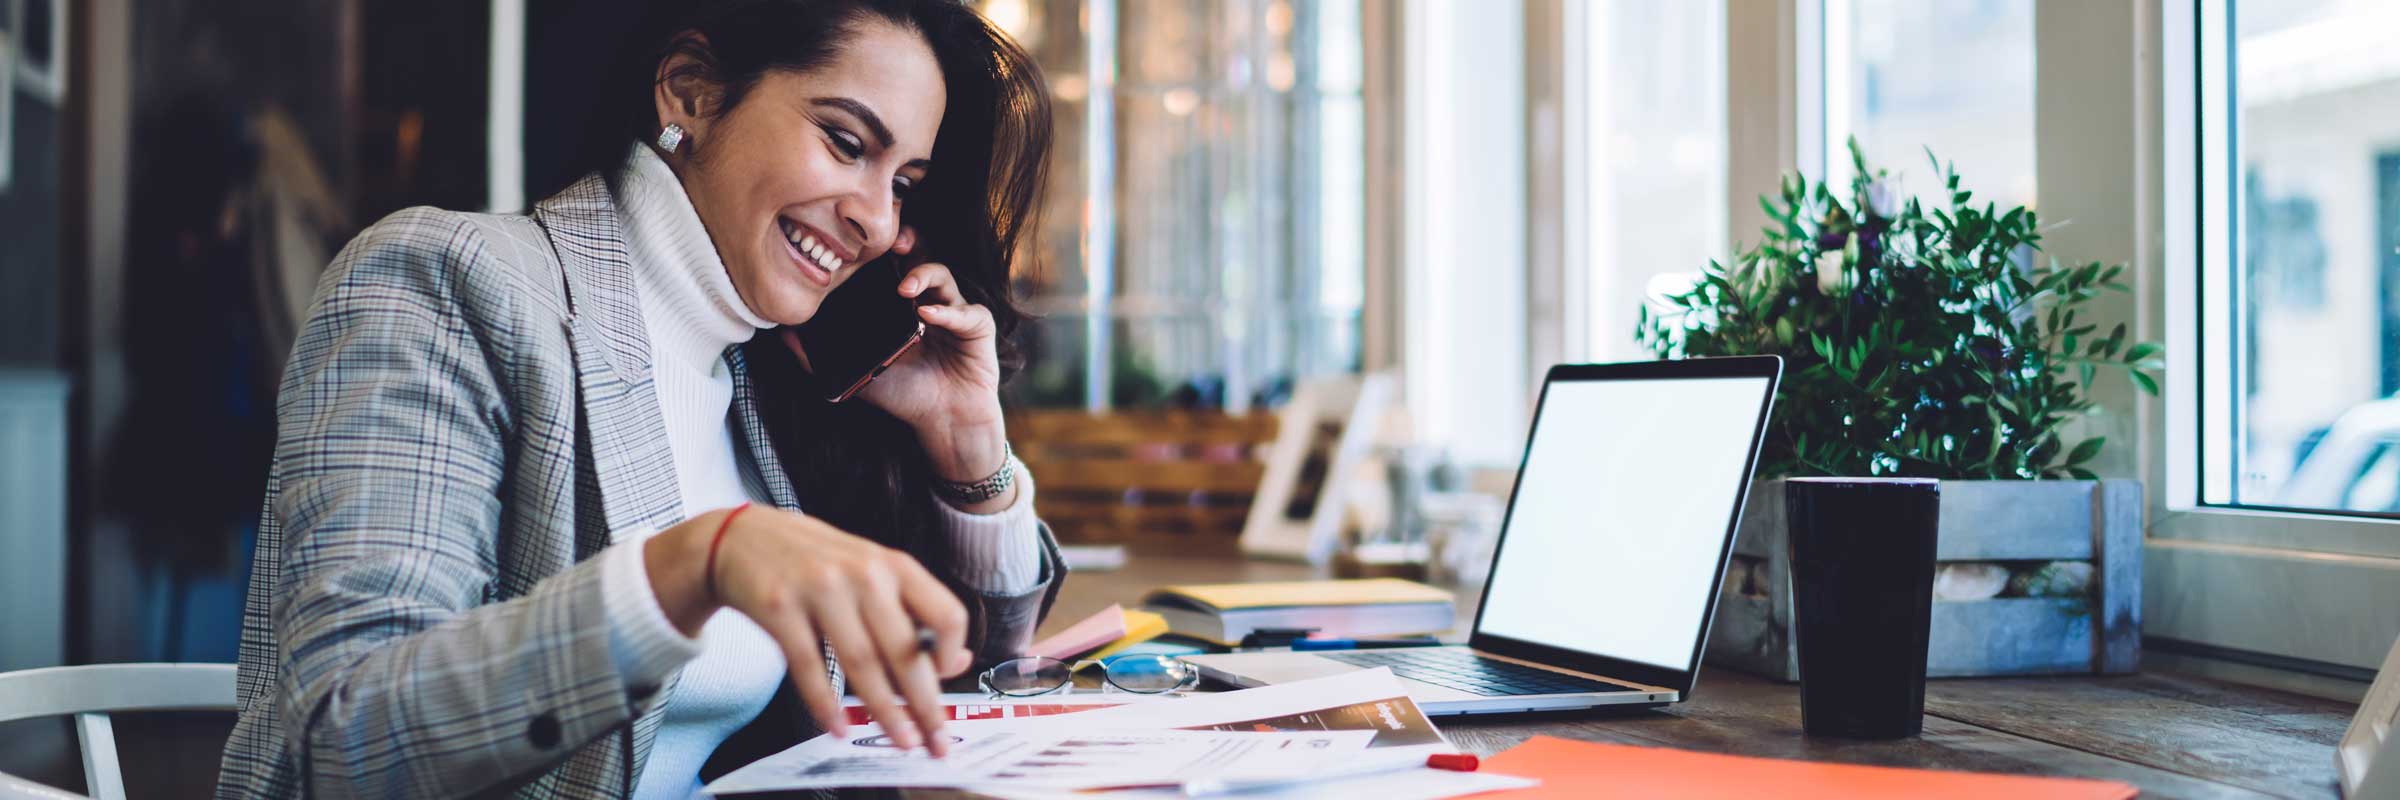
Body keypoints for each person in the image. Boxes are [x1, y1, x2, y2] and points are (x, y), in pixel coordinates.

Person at [215, 1, 1060, 796]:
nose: (878, 222)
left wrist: (968, 449)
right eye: (845, 143)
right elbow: (341, 739)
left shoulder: (762, 382)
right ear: (690, 90)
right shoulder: (449, 280)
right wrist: (686, 570)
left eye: (904, 184)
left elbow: (969, 688)